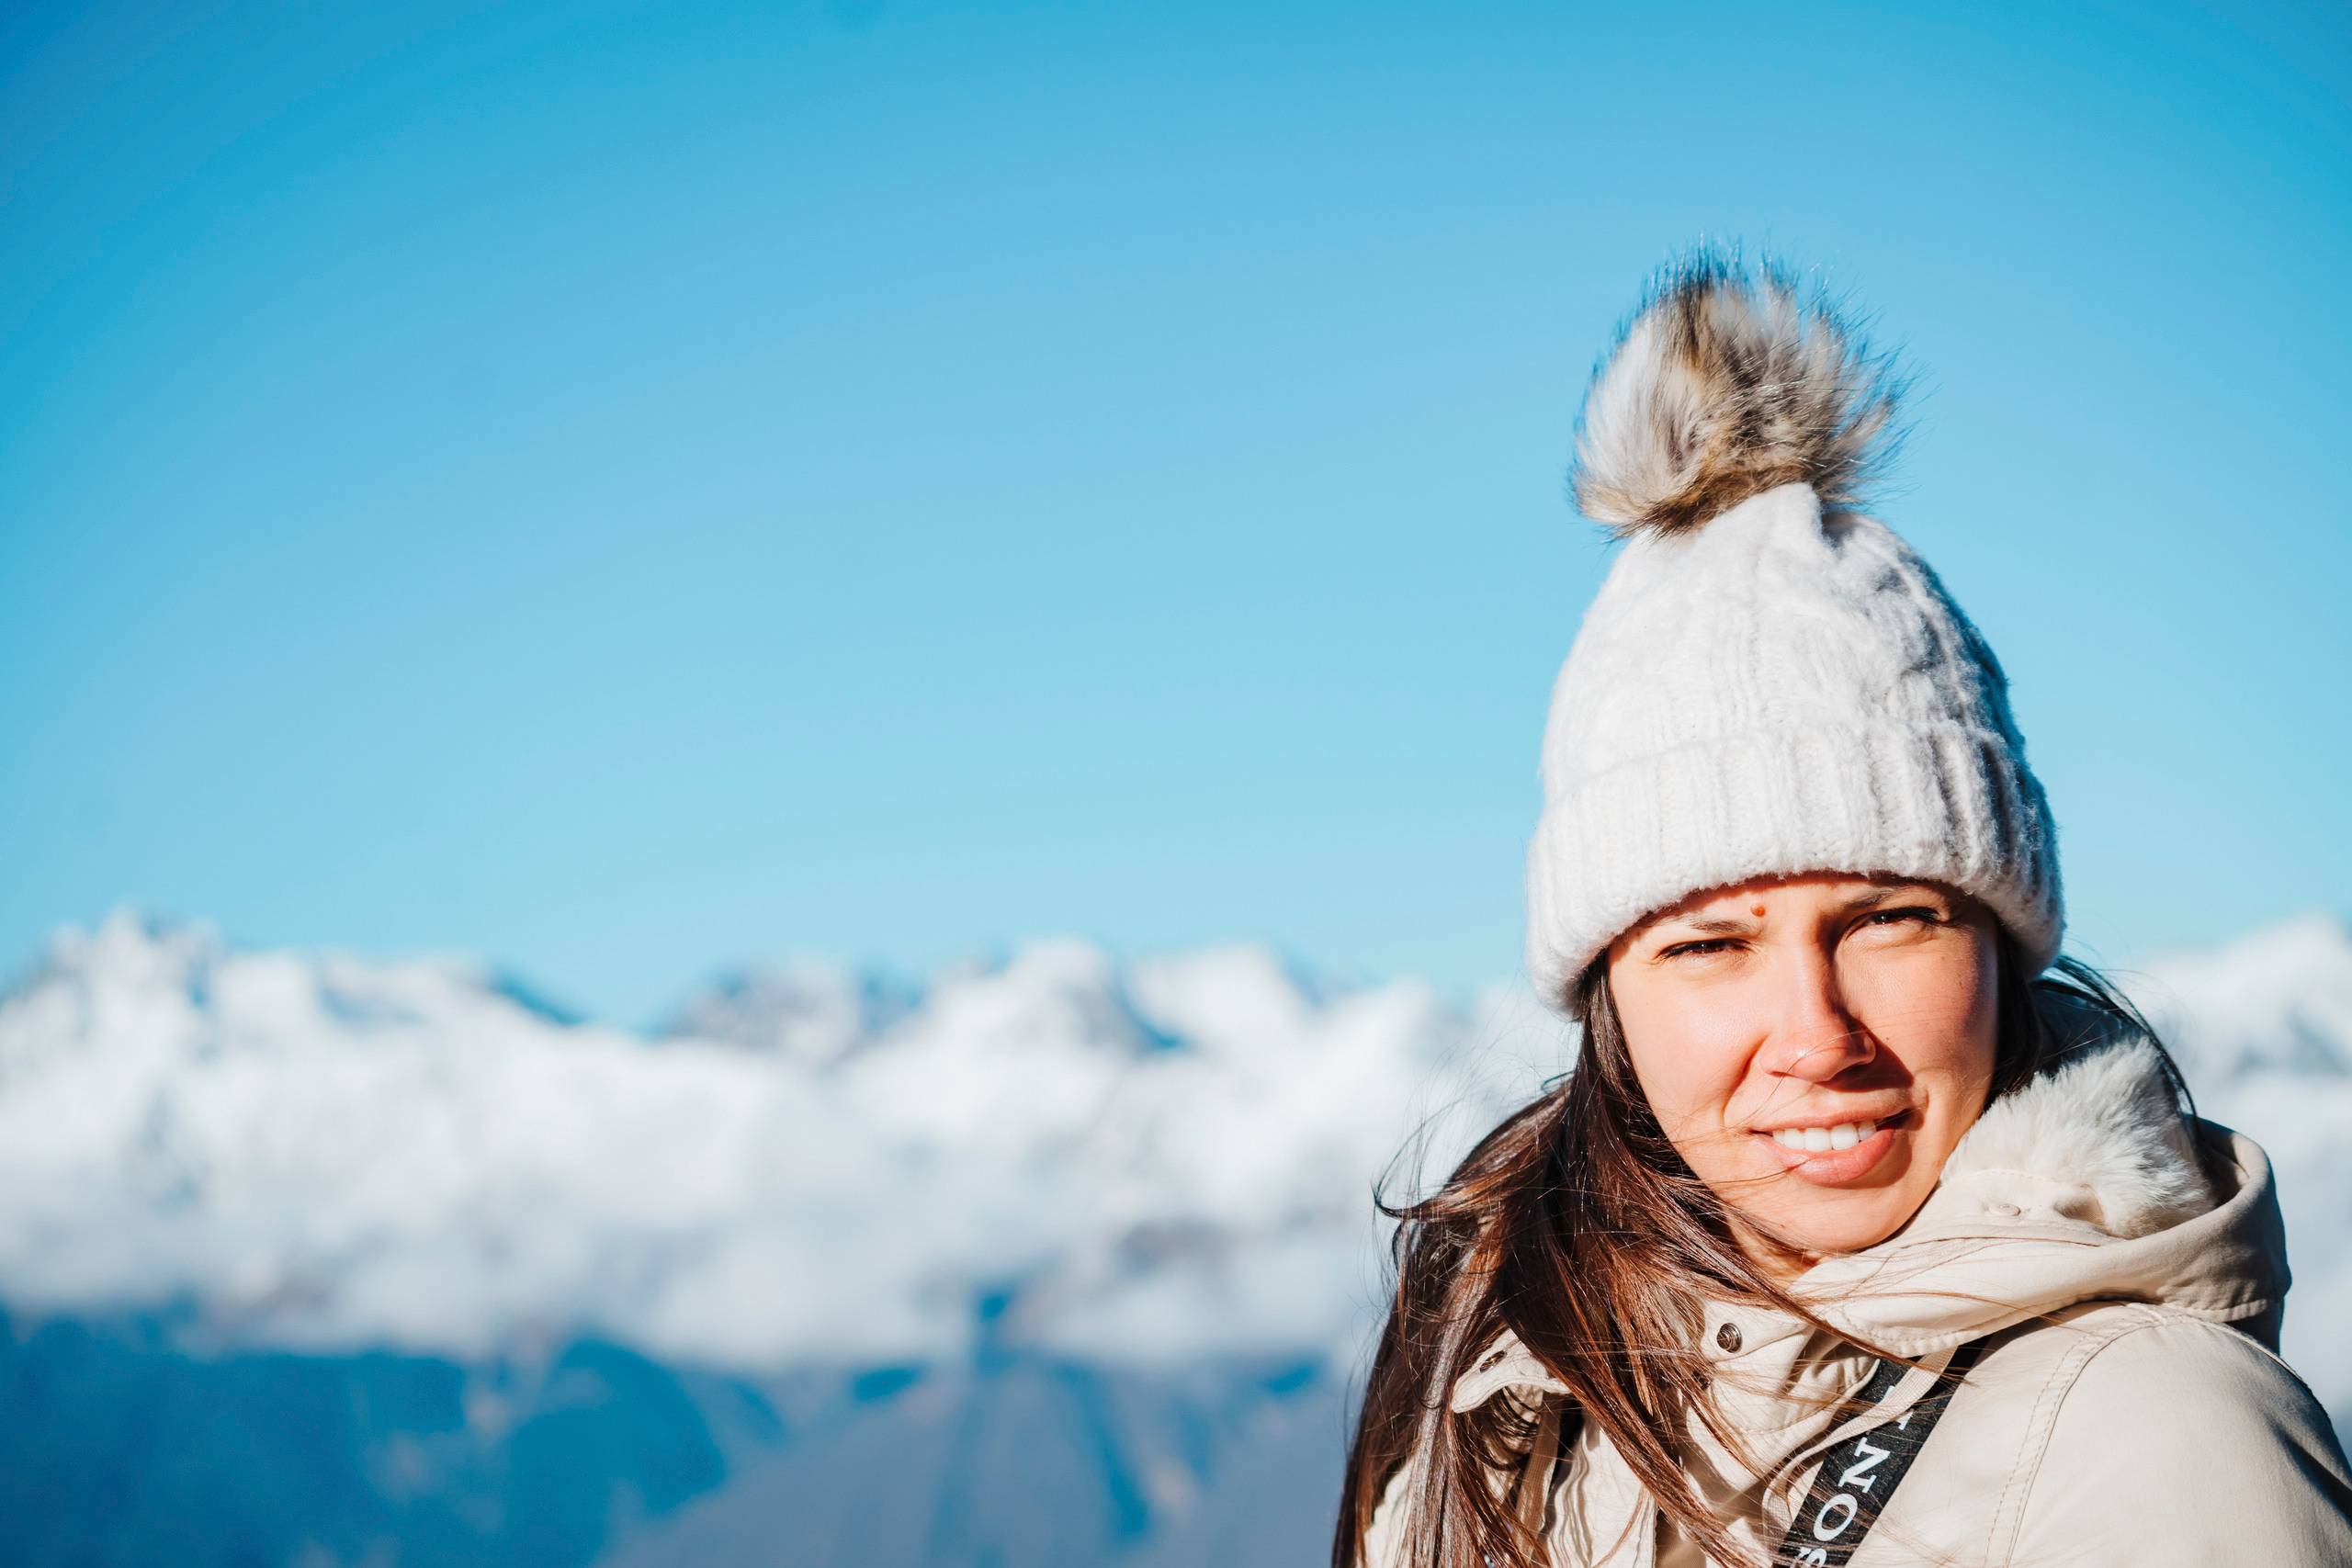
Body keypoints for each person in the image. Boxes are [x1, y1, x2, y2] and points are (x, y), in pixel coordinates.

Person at [1335, 255, 2352, 1568]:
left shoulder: (2165, 1445)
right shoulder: (1509, 1389)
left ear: (2000, 943)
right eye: (1709, 945)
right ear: (1610, 1001)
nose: (1816, 1033)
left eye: (1888, 922)